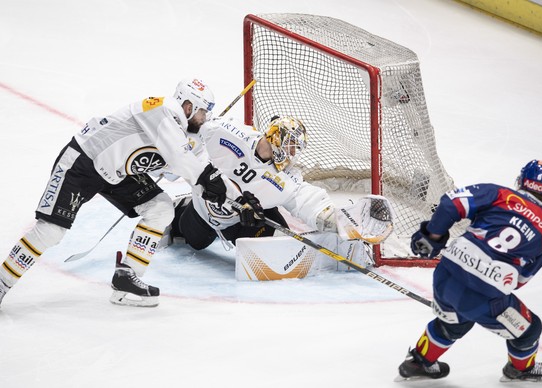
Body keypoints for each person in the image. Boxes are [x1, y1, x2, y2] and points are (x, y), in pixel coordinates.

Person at [0, 78, 244, 308]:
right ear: (188, 106)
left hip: (117, 173)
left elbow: (198, 171)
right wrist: (205, 177)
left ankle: (127, 279)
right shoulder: (161, 108)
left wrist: (239, 198)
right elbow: (181, 159)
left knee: (160, 209)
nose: (205, 118)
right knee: (51, 231)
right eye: (203, 112)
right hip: (84, 162)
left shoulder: (188, 134)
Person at [397, 160, 542, 382]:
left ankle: (418, 362)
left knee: (454, 321)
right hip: (484, 298)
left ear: (520, 181)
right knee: (530, 329)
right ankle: (520, 370)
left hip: (445, 277)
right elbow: (520, 280)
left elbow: (450, 204)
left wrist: (432, 236)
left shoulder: (499, 194)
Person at [164, 115, 394, 268]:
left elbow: (304, 199)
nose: (292, 153)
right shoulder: (228, 133)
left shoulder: (287, 178)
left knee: (275, 242)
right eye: (291, 144)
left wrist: (336, 220)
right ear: (276, 136)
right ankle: (181, 208)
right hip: (204, 210)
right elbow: (193, 136)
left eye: (296, 149)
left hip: (244, 220)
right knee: (195, 242)